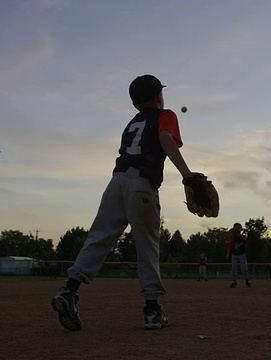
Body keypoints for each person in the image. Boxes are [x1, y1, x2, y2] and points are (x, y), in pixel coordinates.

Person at [51, 74, 199, 331]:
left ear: (134, 103)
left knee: (98, 238)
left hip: (116, 183)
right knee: (147, 246)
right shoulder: (165, 115)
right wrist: (187, 175)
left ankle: (69, 289)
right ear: (158, 95)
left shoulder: (132, 123)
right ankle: (152, 311)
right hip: (142, 186)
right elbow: (165, 139)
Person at [226, 222, 251, 288]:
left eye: (238, 227)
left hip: (242, 254)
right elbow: (229, 246)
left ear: (240, 229)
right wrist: (228, 254)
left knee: (244, 269)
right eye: (236, 227)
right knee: (233, 269)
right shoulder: (232, 238)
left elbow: (247, 241)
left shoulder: (242, 237)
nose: (237, 229)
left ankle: (247, 281)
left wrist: (241, 236)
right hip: (234, 255)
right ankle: (234, 282)